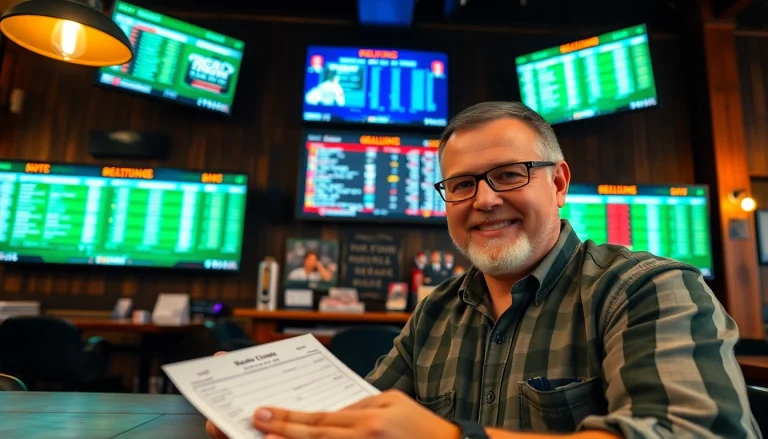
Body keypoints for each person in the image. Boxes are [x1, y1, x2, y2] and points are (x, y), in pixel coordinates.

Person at [207, 101, 760, 438]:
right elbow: (358, 416)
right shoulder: (436, 311)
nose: (485, 200)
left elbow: (691, 435)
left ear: (559, 183)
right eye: (463, 184)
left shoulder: (648, 289)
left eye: (510, 174)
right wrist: (266, 417)